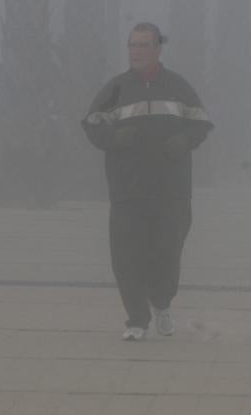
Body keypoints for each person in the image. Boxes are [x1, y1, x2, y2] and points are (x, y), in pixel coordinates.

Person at [82, 22, 213, 341]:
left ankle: (162, 303)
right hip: (128, 190)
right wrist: (115, 138)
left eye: (143, 45)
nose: (136, 51)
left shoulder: (178, 86)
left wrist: (184, 140)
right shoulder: (115, 89)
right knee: (127, 255)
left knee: (167, 252)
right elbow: (92, 126)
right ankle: (136, 320)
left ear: (157, 49)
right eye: (131, 45)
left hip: (172, 190)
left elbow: (202, 124)